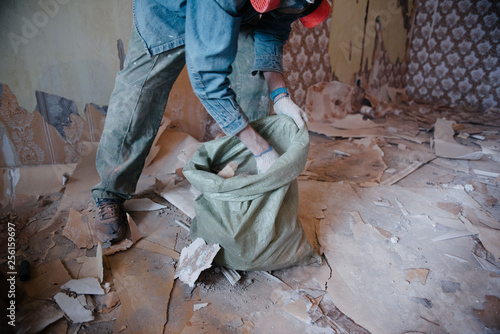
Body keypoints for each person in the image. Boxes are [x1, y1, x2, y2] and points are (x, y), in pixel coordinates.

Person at [91, 0, 331, 244]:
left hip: (235, 10)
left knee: (251, 76)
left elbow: (272, 32)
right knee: (139, 96)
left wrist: (280, 96)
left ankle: (244, 178)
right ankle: (110, 192)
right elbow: (207, 78)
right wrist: (262, 149)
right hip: (168, 14)